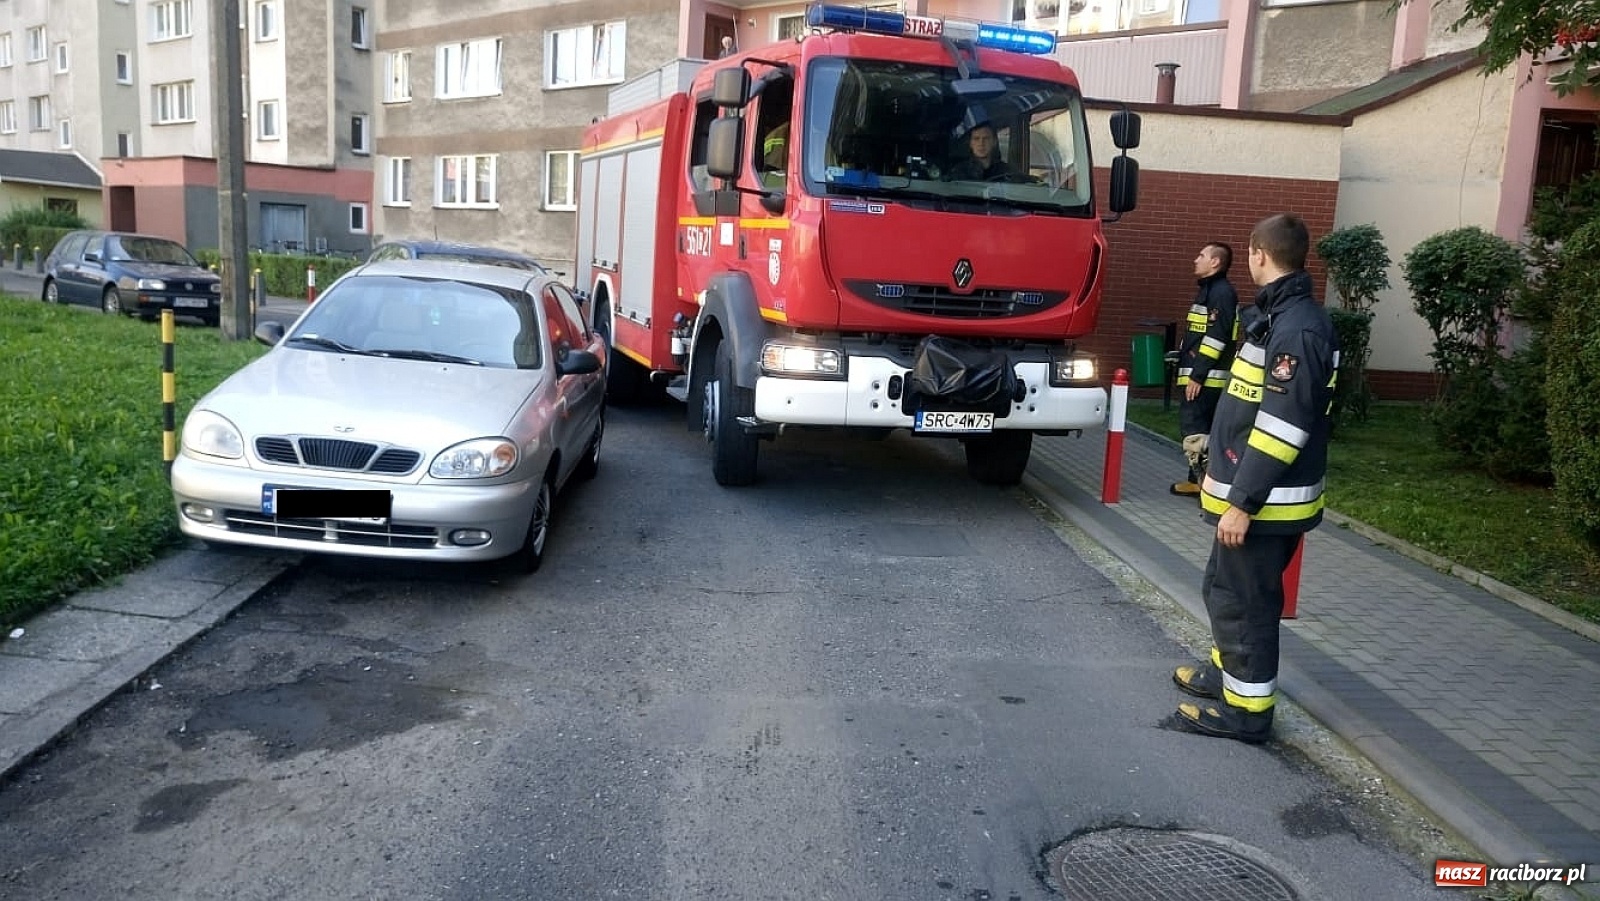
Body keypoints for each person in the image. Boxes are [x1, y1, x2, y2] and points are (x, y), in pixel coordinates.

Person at [1171, 213, 1338, 744]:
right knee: (1224, 591)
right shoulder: (1279, 316)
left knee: (1247, 606)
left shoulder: (1298, 328)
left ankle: (1247, 714)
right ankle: (1227, 678)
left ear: (1257, 255)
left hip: (1265, 506)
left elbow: (1284, 426)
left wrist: (1242, 500)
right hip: (1251, 500)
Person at [1170, 242, 1239, 497]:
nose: (1195, 259)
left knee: (1197, 431)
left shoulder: (1220, 293)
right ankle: (1195, 480)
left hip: (1205, 380)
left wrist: (1197, 375)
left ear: (1215, 263)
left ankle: (1206, 487)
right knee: (1198, 429)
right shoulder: (1210, 290)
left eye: (1201, 255)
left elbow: (1216, 338)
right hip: (1199, 375)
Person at [947, 124, 1012, 181]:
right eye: (976, 139)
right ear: (970, 143)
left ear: (994, 142)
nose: (981, 143)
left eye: (986, 138)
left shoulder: (1006, 172)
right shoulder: (959, 172)